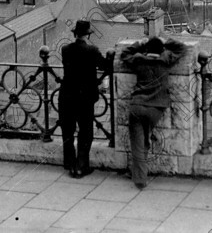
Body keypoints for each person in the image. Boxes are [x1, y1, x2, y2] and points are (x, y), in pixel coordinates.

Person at [120, 36, 186, 189]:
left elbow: (124, 54)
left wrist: (139, 43)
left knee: (138, 143)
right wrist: (166, 41)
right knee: (145, 140)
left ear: (147, 50)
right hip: (156, 107)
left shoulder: (138, 60)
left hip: (137, 105)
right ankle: (139, 173)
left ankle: (140, 177)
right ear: (161, 50)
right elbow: (181, 48)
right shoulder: (166, 60)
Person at [59, 20, 107, 178]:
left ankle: (69, 162)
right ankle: (81, 166)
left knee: (68, 130)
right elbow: (105, 65)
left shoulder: (65, 49)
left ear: (75, 34)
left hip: (66, 94)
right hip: (84, 96)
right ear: (88, 34)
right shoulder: (92, 50)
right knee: (85, 132)